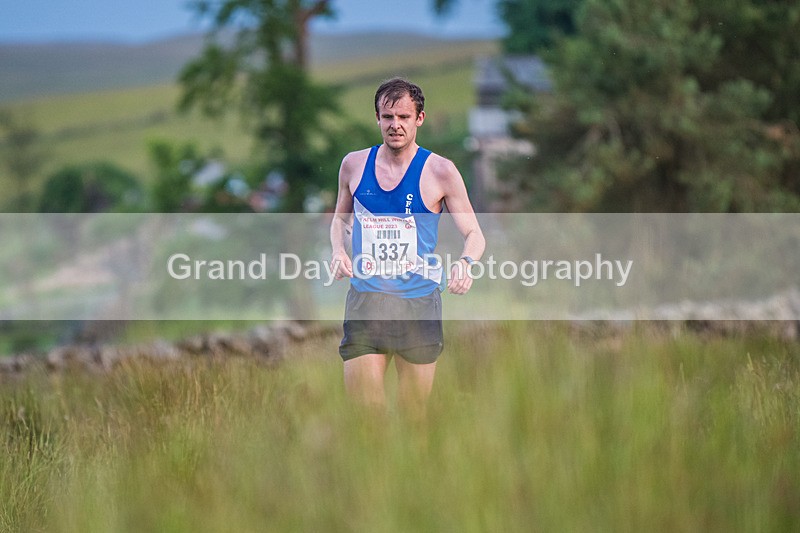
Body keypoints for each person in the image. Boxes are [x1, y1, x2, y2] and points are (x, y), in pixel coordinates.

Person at [330, 78, 485, 421]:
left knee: (413, 415)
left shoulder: (441, 171)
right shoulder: (353, 165)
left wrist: (465, 262)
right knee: (366, 415)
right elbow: (340, 221)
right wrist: (338, 251)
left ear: (420, 119)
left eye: (403, 116)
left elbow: (474, 232)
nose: (395, 125)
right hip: (366, 300)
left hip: (418, 304)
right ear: (377, 119)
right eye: (387, 117)